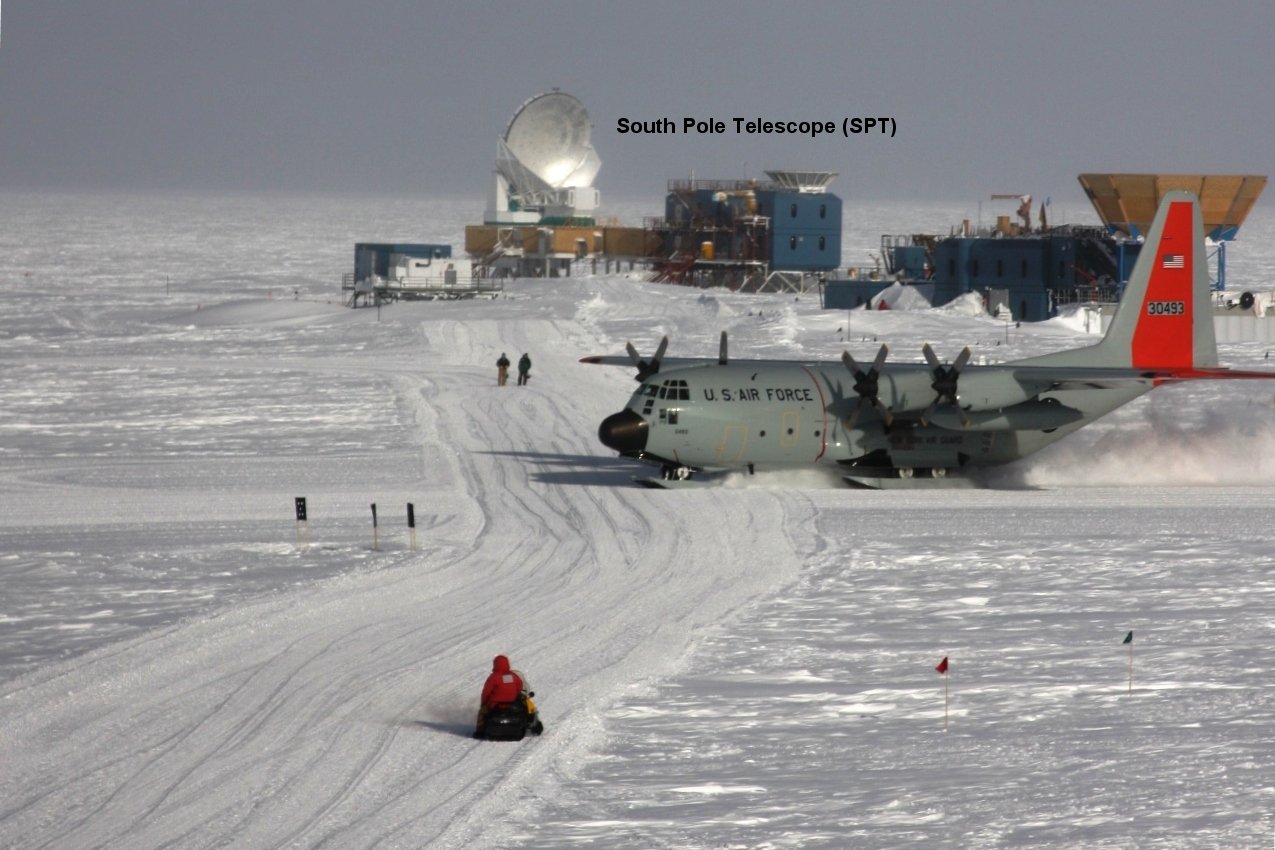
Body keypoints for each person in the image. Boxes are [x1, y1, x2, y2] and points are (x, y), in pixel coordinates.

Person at [475, 654, 543, 737]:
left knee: (482, 712)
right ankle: (531, 723)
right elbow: (520, 686)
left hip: (495, 705)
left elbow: (486, 692)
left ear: (495, 664)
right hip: (513, 704)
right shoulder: (513, 676)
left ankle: (480, 732)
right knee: (525, 707)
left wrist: (484, 703)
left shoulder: (493, 677)